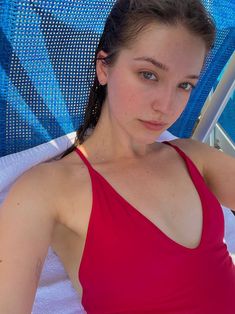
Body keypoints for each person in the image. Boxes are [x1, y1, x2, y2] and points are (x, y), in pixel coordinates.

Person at [0, 0, 235, 313]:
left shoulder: (194, 158)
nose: (166, 105)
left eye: (185, 85)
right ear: (104, 67)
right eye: (148, 74)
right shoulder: (45, 191)